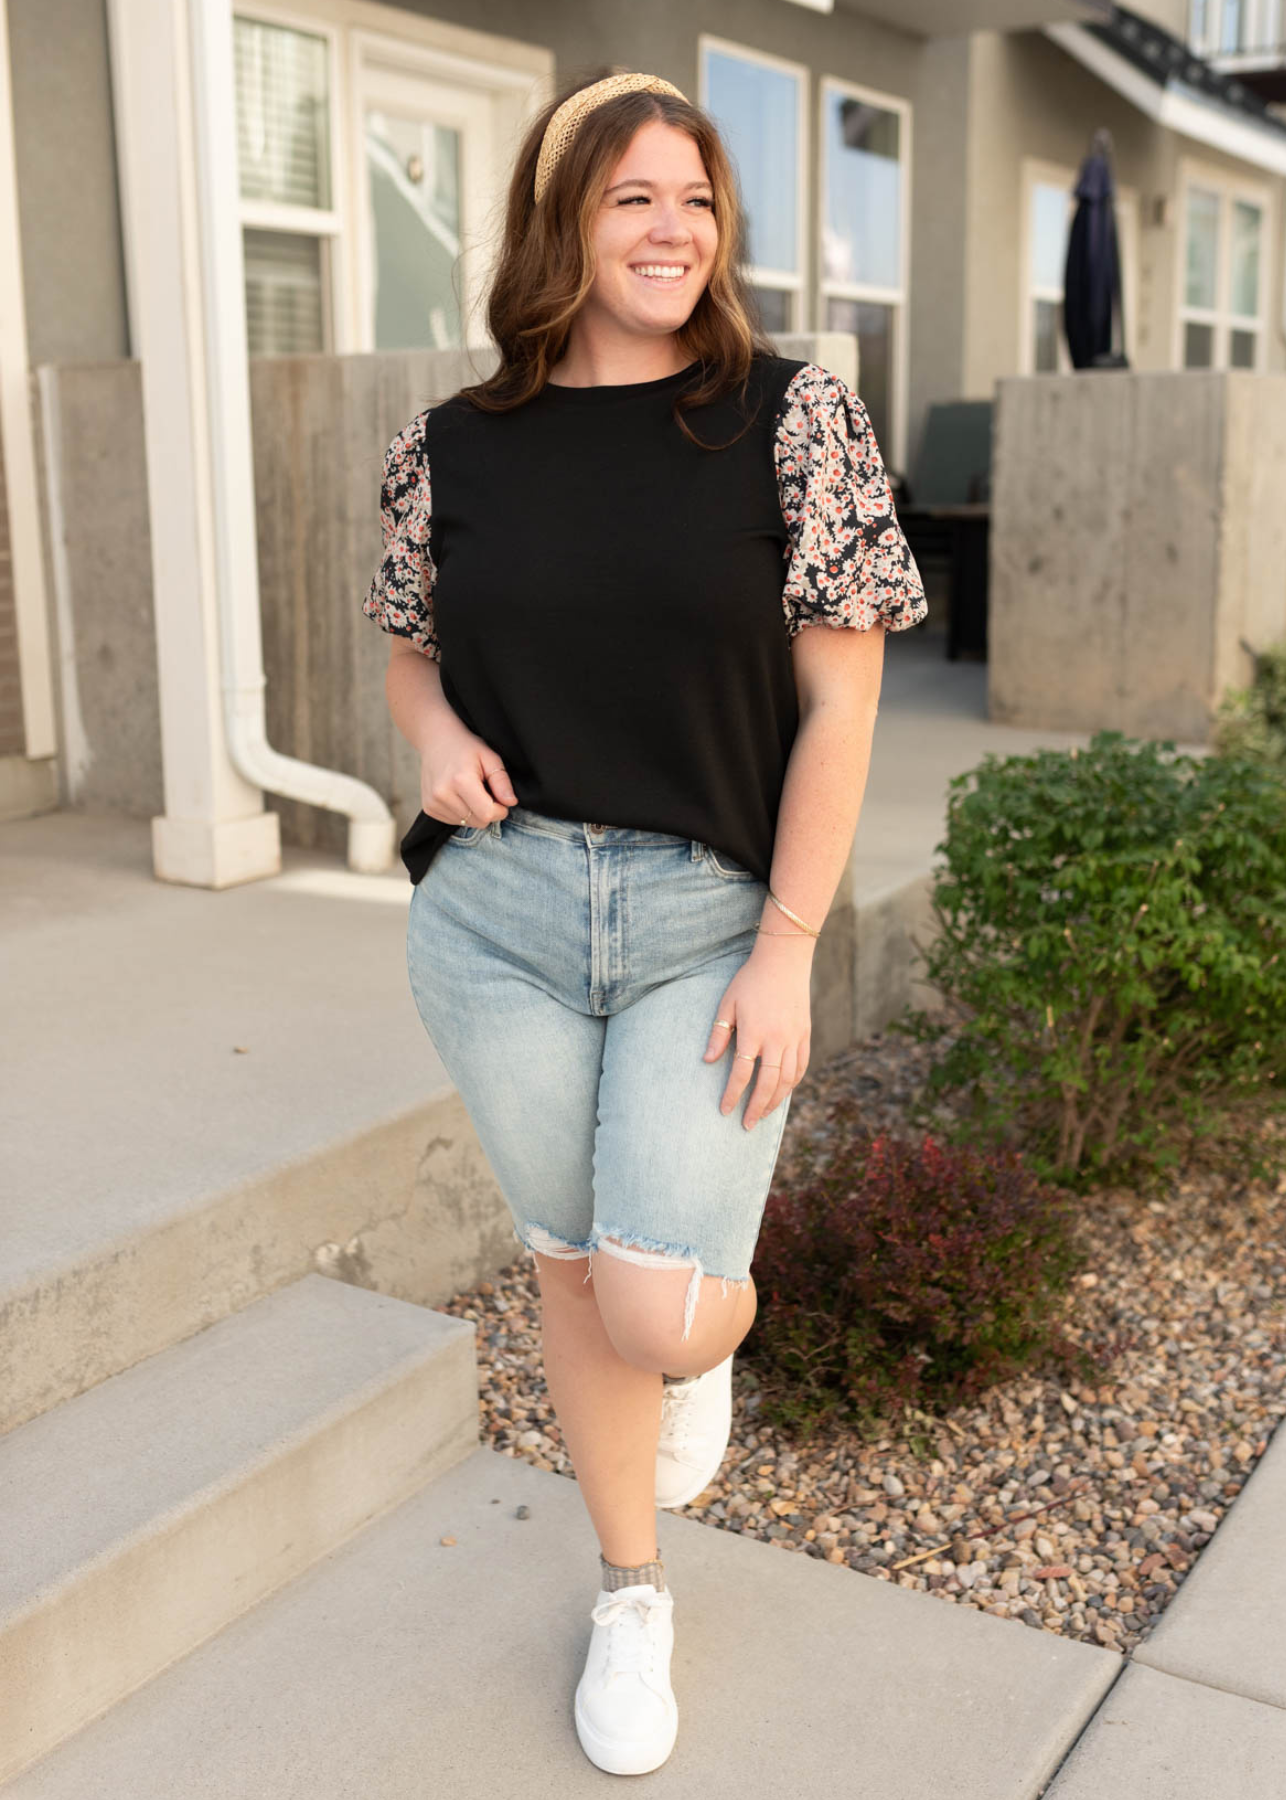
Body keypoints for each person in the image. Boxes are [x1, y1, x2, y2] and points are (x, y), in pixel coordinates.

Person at [362, 69, 926, 1777]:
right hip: (500, 921)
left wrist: (790, 946)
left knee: (657, 1309)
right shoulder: (450, 444)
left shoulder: (792, 415)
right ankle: (629, 1592)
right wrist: (440, 739)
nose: (671, 227)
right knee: (567, 1266)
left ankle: (695, 1352)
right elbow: (407, 650)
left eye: (695, 198)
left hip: (707, 917)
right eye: (631, 198)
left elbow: (839, 704)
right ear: (563, 224)